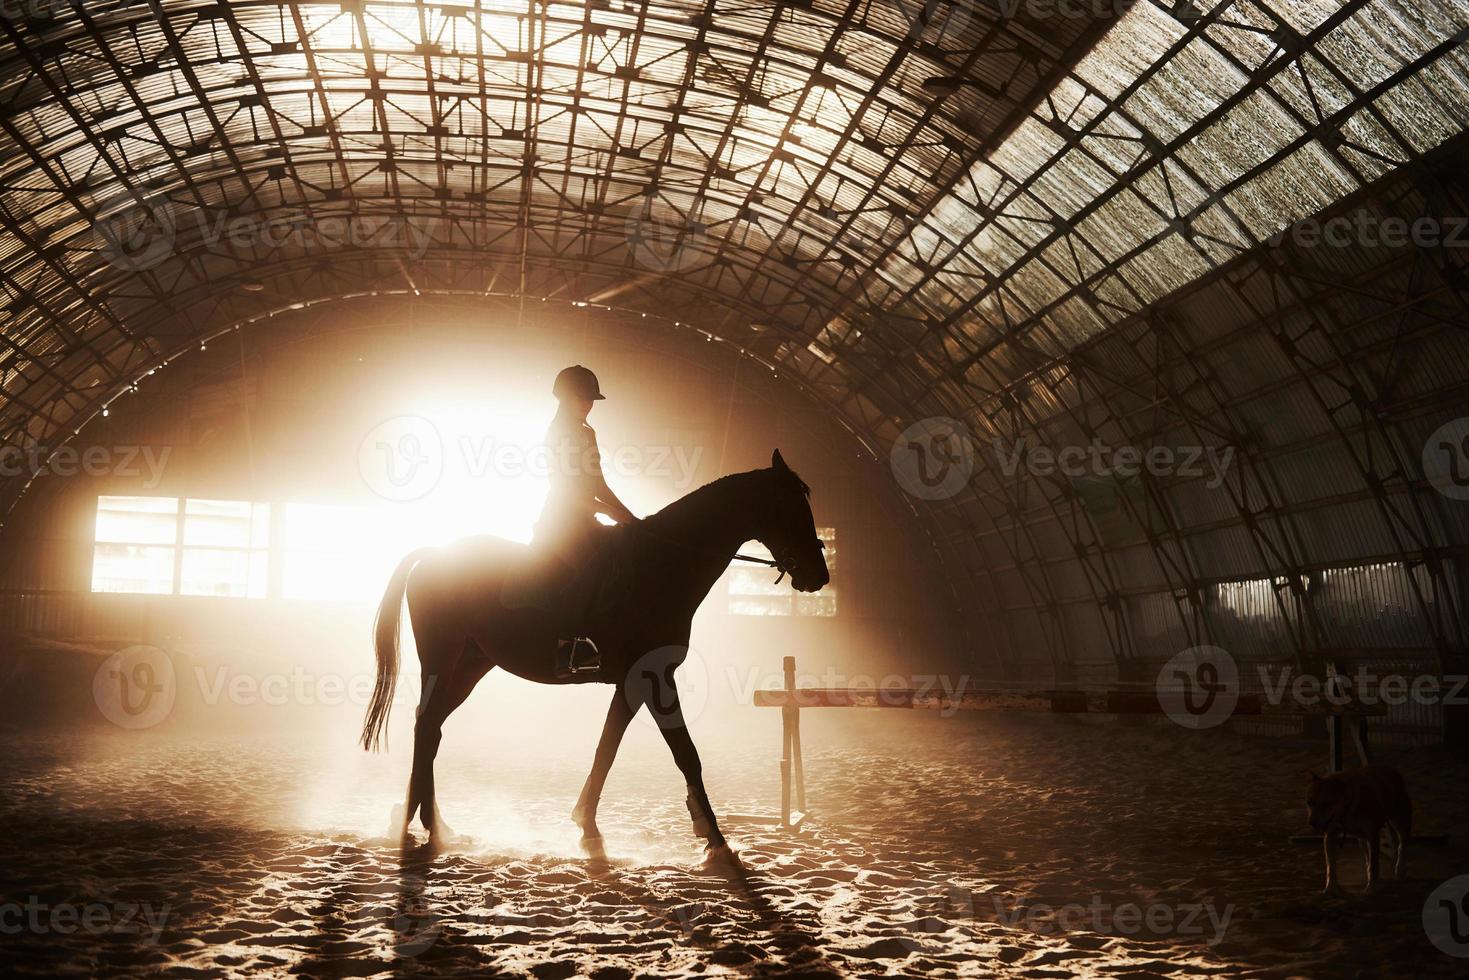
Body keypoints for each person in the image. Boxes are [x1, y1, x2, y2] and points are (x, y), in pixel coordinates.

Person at [534, 365, 637, 674]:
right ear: (565, 398)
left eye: (591, 399)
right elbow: (565, 489)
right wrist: (610, 512)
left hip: (584, 521)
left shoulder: (585, 432)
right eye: (583, 398)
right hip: (561, 523)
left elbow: (598, 484)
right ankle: (567, 648)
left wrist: (629, 515)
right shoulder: (559, 434)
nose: (589, 404)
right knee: (590, 568)